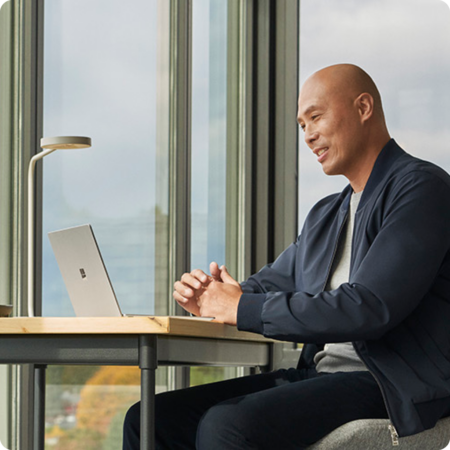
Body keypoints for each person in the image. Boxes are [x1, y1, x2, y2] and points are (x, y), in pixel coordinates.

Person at [123, 63, 450, 449]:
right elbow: (271, 283)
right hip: (323, 375)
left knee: (227, 426)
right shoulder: (327, 214)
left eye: (315, 117)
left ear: (364, 108)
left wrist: (241, 307)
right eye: (301, 125)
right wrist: (215, 295)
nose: (308, 135)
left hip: (389, 381)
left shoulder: (422, 189)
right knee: (149, 420)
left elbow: (370, 307)